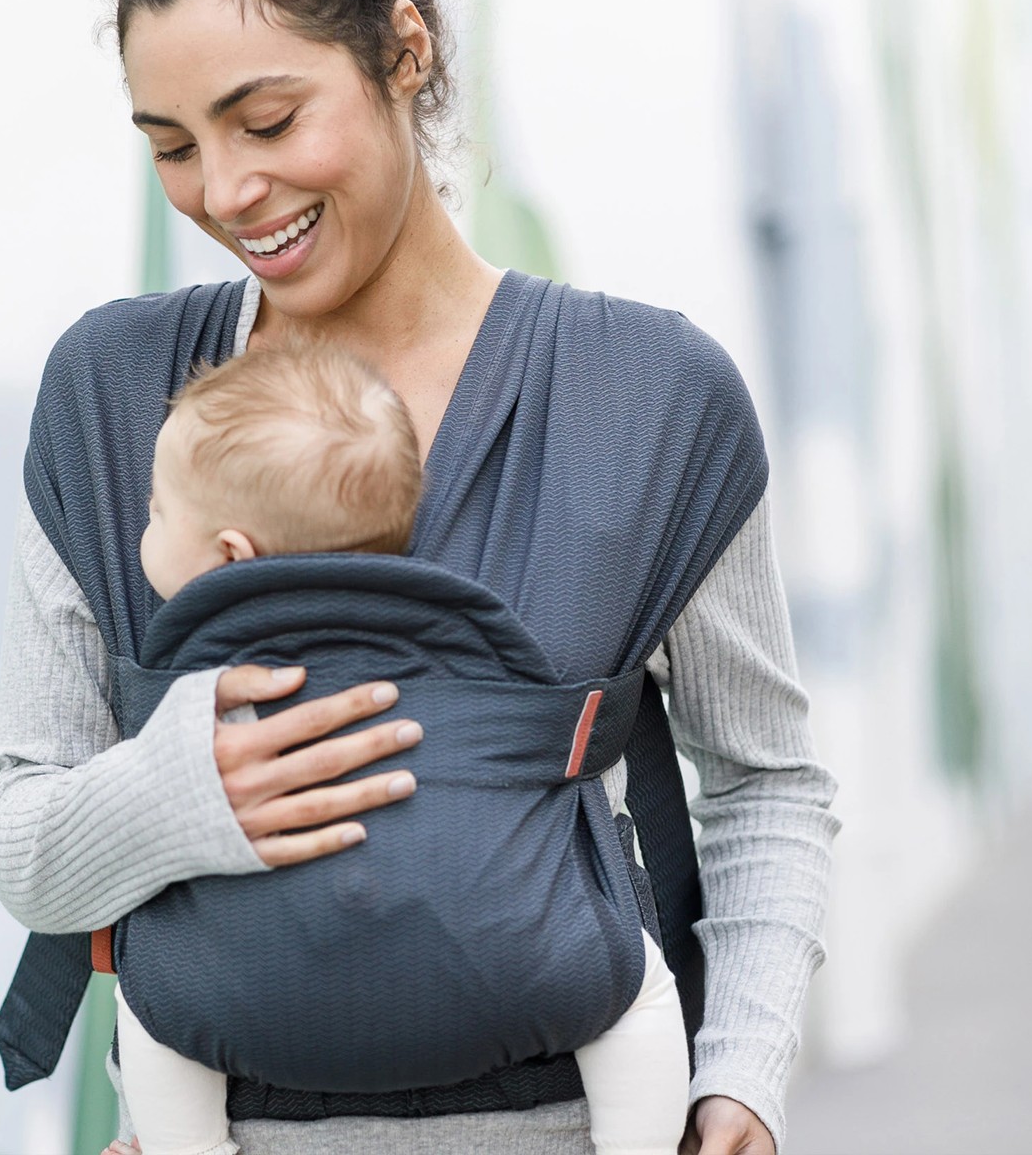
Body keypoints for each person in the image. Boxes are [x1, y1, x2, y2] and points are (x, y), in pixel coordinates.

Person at [0, 0, 840, 1152]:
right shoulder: (112, 401)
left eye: (266, 122)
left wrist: (739, 1073)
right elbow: (20, 833)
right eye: (172, 145)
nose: (228, 190)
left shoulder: (647, 402)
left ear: (405, 52)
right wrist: (183, 792)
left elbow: (764, 781)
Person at [113, 342, 690, 1155]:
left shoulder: (202, 685)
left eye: (156, 511)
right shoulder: (480, 652)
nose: (141, 528)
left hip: (242, 986)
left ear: (230, 557)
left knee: (147, 1009)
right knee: (638, 996)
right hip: (511, 960)